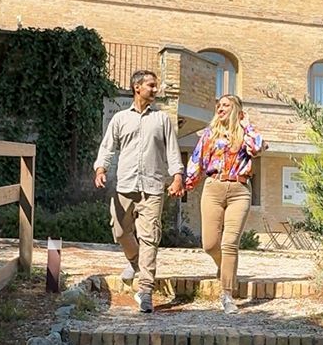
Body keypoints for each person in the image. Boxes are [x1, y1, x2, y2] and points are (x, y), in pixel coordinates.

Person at [93, 68, 184, 313]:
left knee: (150, 238)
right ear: (137, 87)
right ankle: (134, 263)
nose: (156, 89)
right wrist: (101, 168)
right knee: (121, 232)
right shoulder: (121, 118)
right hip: (125, 185)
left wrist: (177, 176)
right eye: (151, 85)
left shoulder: (162, 119)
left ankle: (145, 291)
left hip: (153, 187)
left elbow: (172, 151)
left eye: (156, 86)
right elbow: (107, 147)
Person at [184, 94, 265, 313]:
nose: (220, 108)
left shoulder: (245, 133)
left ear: (237, 110)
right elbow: (196, 159)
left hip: (239, 190)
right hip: (213, 188)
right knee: (210, 244)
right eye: (218, 105)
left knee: (229, 243)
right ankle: (224, 266)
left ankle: (227, 294)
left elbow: (258, 148)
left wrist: (246, 124)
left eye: (226, 106)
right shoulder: (210, 134)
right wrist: (187, 183)